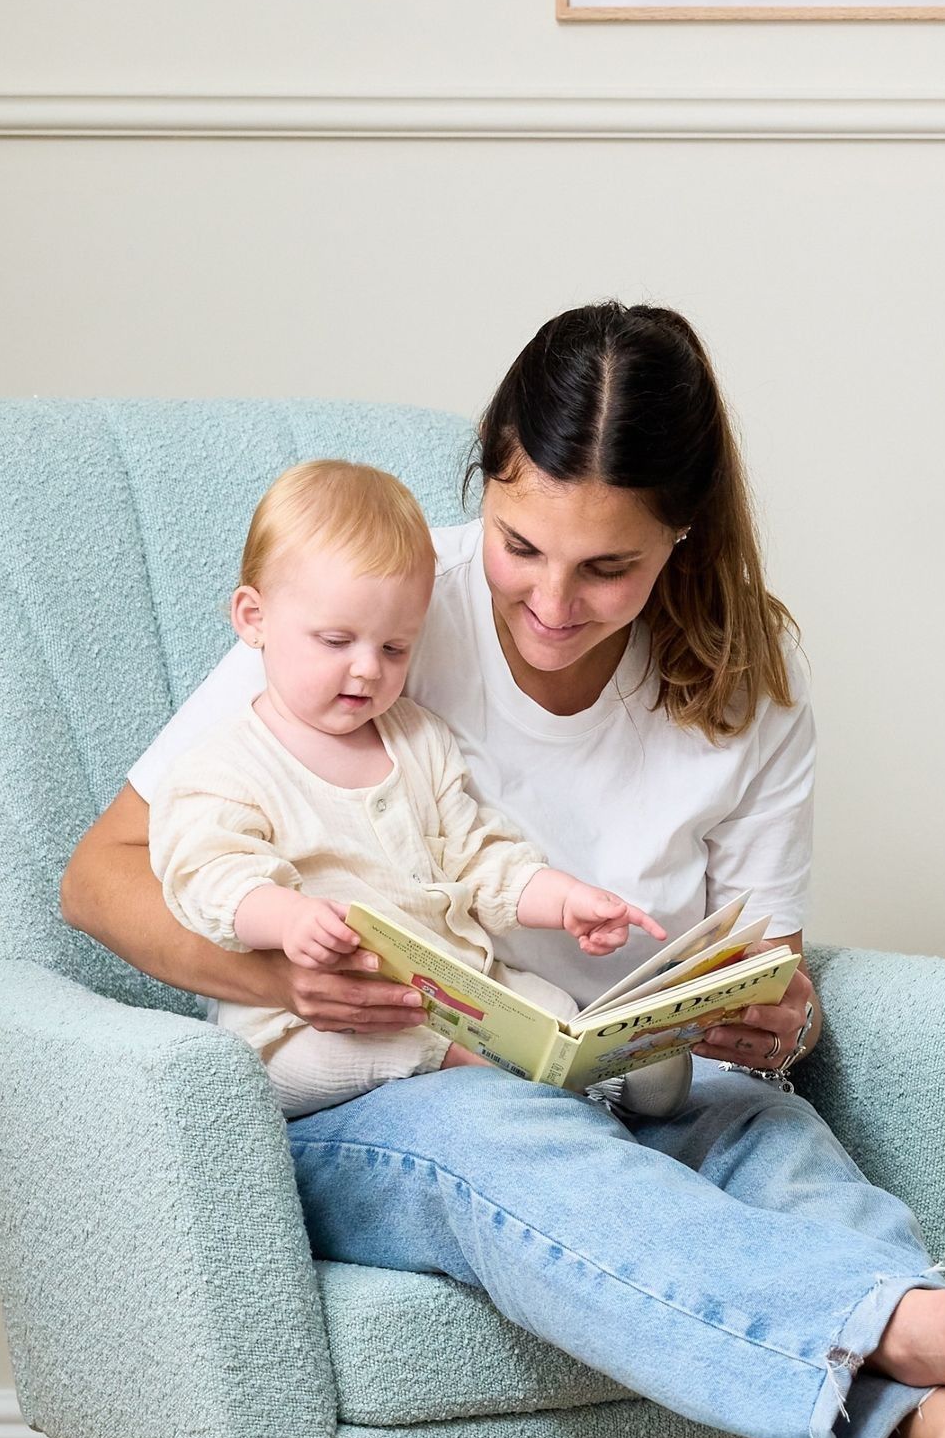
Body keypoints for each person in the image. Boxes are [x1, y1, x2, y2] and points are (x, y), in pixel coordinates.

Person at [62, 301, 945, 1438]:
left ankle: (937, 1435)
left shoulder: (746, 674)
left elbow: (754, 956)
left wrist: (774, 1009)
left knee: (772, 1134)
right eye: (518, 545)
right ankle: (913, 1317)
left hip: (622, 1070)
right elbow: (104, 874)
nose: (551, 603)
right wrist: (287, 980)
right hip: (390, 1088)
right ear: (486, 478)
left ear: (682, 541)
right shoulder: (374, 611)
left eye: (610, 568)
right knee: (506, 1133)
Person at [150, 456, 663, 1117]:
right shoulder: (225, 764)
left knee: (549, 1008)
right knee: (300, 1059)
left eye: (395, 649)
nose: (367, 670)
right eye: (336, 641)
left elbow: (479, 855)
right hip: (312, 1022)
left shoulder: (416, 740)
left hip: (455, 991)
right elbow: (205, 875)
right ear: (253, 617)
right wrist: (285, 917)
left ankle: (613, 1070)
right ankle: (476, 1067)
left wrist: (563, 900)